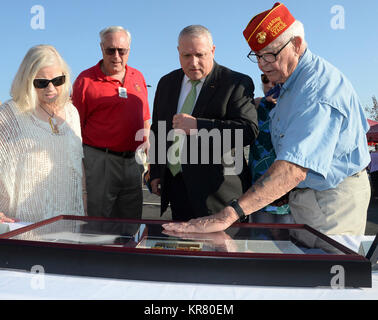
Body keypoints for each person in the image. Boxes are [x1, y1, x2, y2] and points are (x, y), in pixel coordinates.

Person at [163, 3, 371, 243]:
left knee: (328, 273)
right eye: (258, 56)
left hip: (331, 201)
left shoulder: (315, 91)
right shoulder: (290, 83)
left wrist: (229, 215)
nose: (262, 64)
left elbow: (292, 169)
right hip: (304, 197)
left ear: (296, 45)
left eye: (270, 54)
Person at [149, 25, 258, 221]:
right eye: (186, 56)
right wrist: (156, 171)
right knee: (183, 249)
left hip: (218, 196)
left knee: (220, 251)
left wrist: (198, 127)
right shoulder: (166, 83)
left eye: (200, 54)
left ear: (213, 50)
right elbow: (157, 129)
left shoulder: (236, 83)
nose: (193, 62)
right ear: (178, 52)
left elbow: (248, 130)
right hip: (177, 189)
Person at [0, 45, 86, 224]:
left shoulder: (72, 113)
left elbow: (78, 167)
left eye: (58, 80)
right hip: (22, 228)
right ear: (27, 80)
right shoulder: (9, 115)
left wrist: (83, 209)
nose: (51, 88)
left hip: (68, 224)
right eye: (41, 82)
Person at [72, 26, 151, 220]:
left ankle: (128, 251)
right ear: (101, 49)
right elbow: (75, 127)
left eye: (121, 51)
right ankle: (97, 251)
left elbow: (145, 116)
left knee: (132, 220)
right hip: (100, 161)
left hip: (133, 161)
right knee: (99, 222)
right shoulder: (85, 80)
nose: (116, 56)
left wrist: (146, 141)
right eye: (110, 50)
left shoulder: (138, 77)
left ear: (128, 51)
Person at [248, 73, 292, 224]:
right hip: (258, 186)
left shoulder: (294, 108)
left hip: (287, 188)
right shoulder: (255, 107)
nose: (271, 83)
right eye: (265, 78)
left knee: (286, 243)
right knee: (259, 241)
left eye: (276, 80)